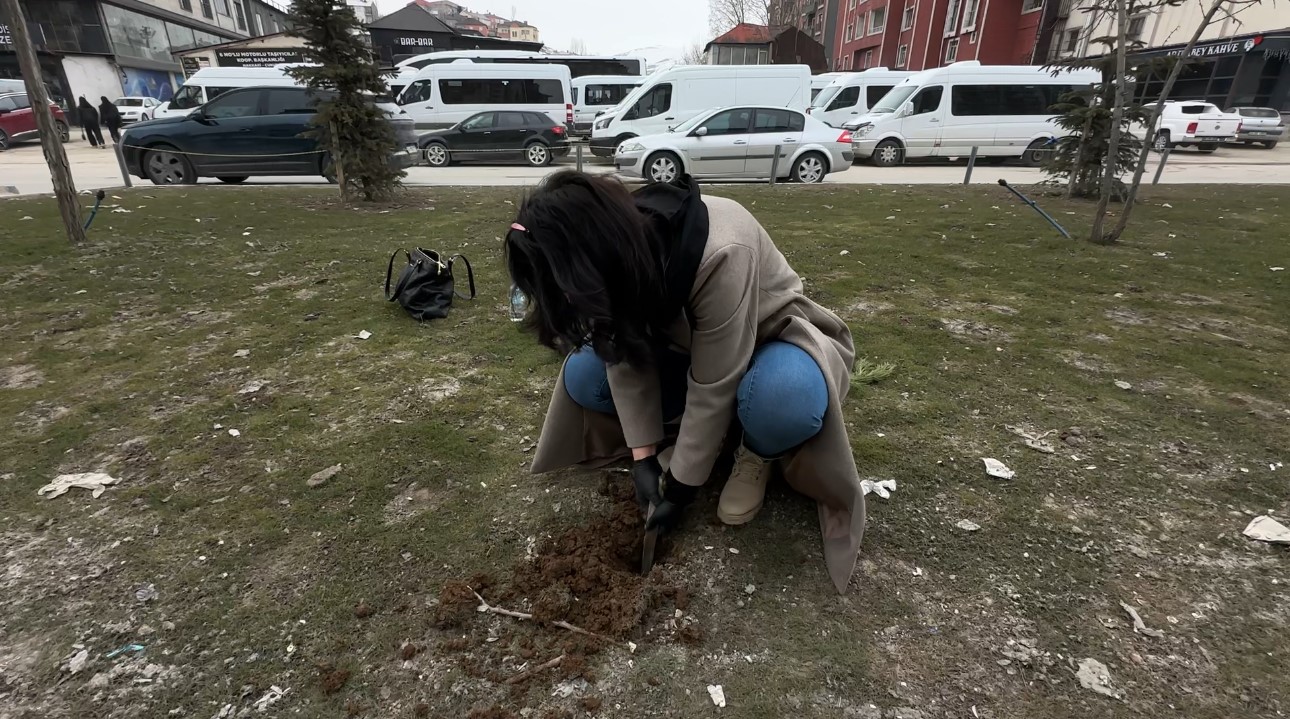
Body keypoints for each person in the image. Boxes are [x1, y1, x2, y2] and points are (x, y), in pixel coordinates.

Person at [509, 171, 867, 593]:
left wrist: (680, 488)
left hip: (770, 344)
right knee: (584, 375)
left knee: (783, 397)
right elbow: (622, 351)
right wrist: (643, 456)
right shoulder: (612, 252)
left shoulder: (721, 250)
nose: (567, 301)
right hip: (689, 350)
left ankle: (756, 451)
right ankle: (699, 438)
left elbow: (715, 381)